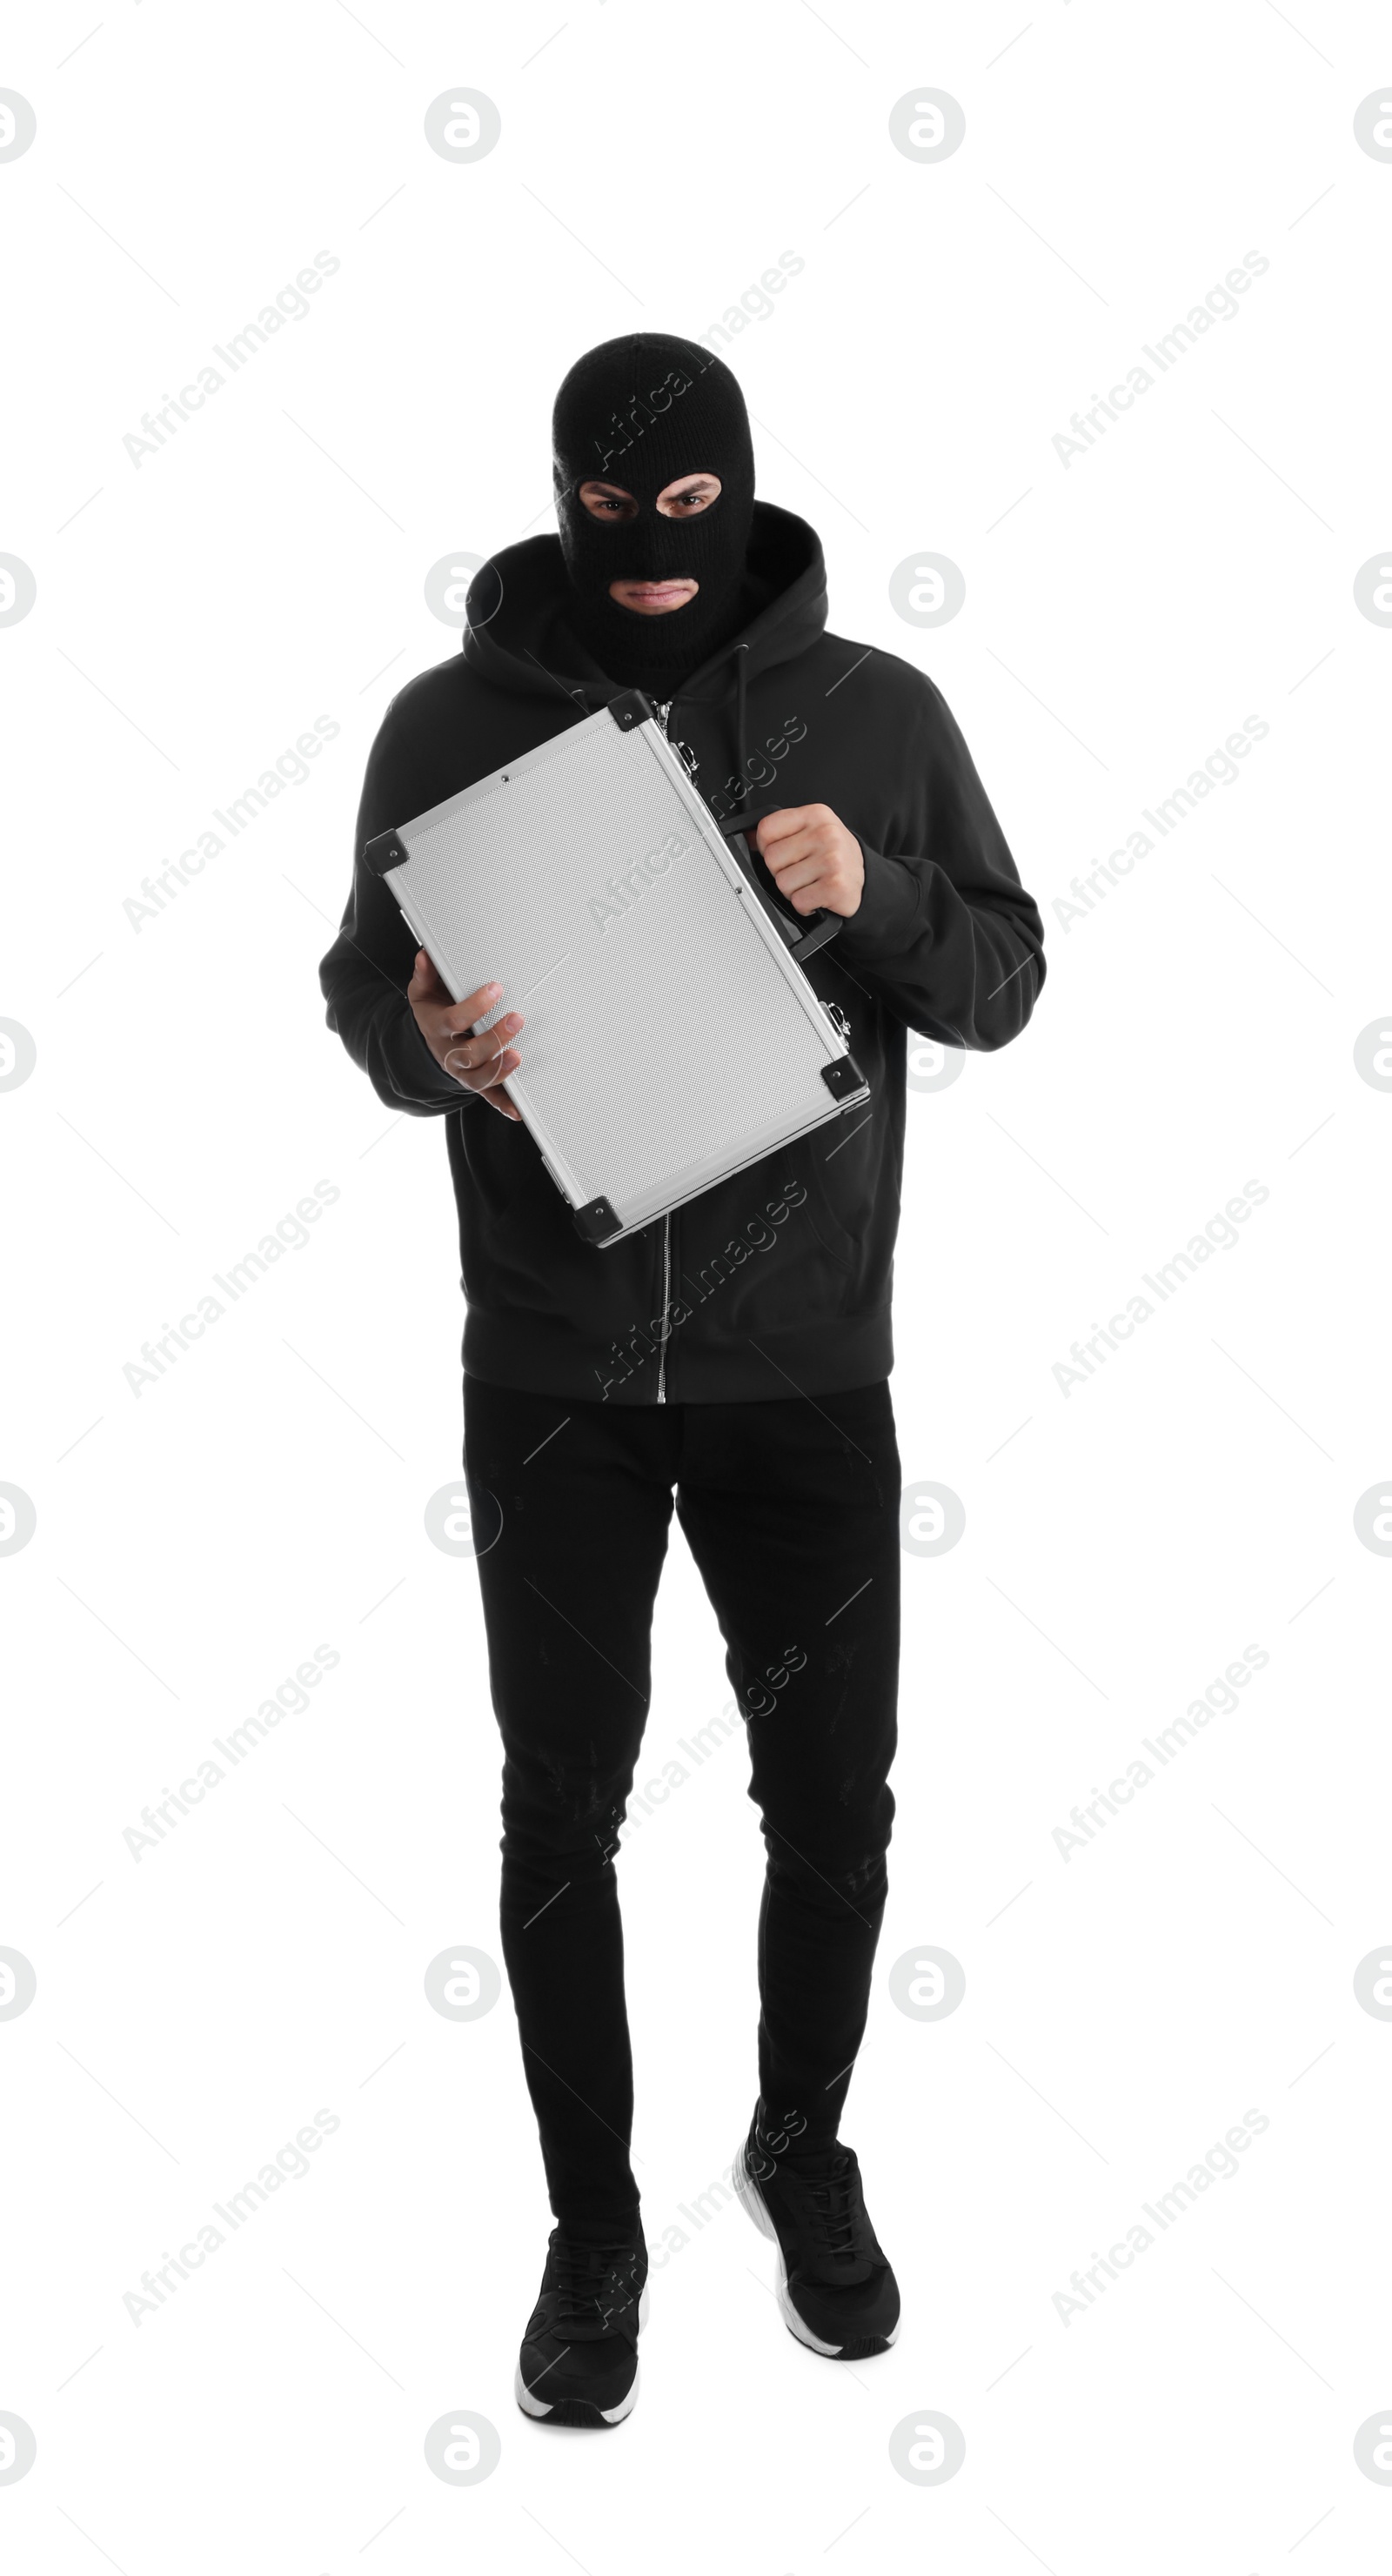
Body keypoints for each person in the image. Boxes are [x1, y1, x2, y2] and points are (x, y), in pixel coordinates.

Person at [319, 331, 1046, 2429]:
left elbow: (999, 975)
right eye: (608, 514)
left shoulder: (876, 713)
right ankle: (589, 2228)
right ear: (556, 498)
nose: (649, 553)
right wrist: (423, 1049)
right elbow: (366, 989)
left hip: (802, 1373)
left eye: (686, 512)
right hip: (548, 1371)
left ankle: (801, 2151)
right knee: (560, 1807)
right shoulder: (442, 724)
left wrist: (878, 889)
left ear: (746, 495)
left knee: (829, 1803)